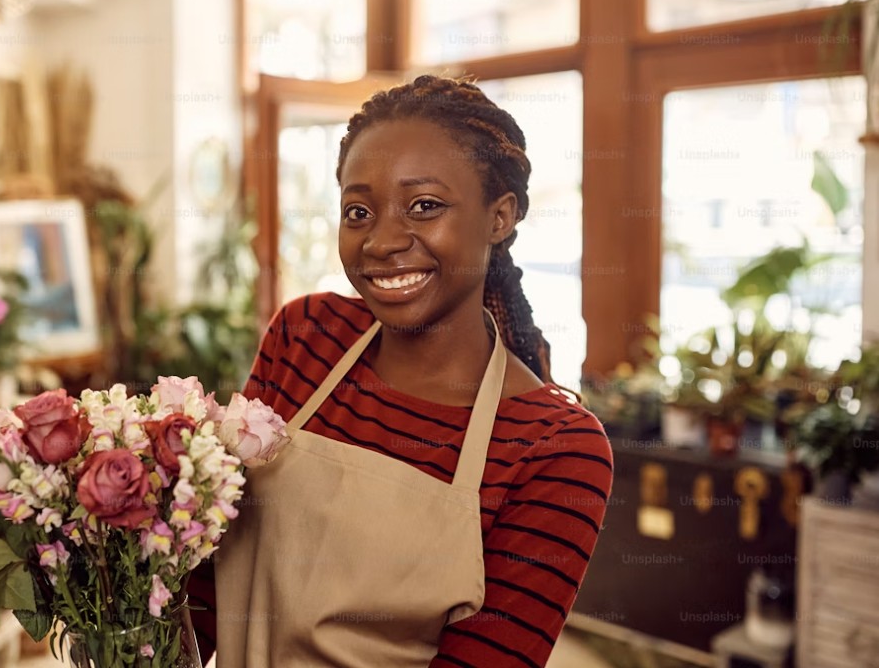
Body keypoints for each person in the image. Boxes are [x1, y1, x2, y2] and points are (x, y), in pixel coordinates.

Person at [189, 74, 614, 667]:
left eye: (425, 206)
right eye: (358, 211)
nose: (382, 241)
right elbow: (210, 579)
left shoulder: (554, 448)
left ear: (500, 217)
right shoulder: (305, 337)